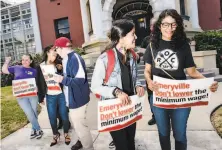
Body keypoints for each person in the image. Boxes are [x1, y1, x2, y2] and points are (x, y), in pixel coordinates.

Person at [144, 9, 219, 150]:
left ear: (177, 25)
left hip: (181, 97)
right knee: (163, 133)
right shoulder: (152, 45)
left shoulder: (183, 46)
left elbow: (192, 72)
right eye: (165, 24)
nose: (169, 28)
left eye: (173, 24)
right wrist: (149, 81)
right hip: (159, 96)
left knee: (180, 134)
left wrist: (208, 82)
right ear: (160, 26)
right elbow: (147, 71)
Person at [91, 19, 145, 150]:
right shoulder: (104, 59)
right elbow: (95, 86)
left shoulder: (132, 55)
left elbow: (135, 78)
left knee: (131, 143)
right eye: (133, 34)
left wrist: (138, 85)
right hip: (114, 110)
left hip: (130, 108)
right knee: (122, 146)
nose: (136, 37)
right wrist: (116, 92)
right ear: (121, 37)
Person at [53, 37, 94, 150]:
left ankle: (88, 147)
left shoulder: (74, 58)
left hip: (78, 99)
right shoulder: (67, 58)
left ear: (61, 48)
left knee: (80, 126)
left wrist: (62, 79)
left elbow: (80, 80)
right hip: (73, 97)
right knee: (77, 123)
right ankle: (81, 141)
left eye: (56, 49)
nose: (56, 52)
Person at [36, 46, 71, 147]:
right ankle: (55, 135)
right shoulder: (40, 67)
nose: (55, 55)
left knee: (64, 116)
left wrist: (61, 69)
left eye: (56, 54)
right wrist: (41, 98)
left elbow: (65, 75)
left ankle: (66, 133)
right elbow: (39, 83)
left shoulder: (59, 64)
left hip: (61, 95)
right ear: (47, 52)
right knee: (52, 118)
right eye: (53, 53)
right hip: (50, 96)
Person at [2, 54, 43, 139]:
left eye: (27, 60)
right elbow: (4, 70)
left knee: (34, 112)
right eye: (23, 59)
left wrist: (37, 88)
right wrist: (7, 61)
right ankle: (38, 129)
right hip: (21, 96)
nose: (24, 61)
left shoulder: (34, 71)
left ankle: (34, 129)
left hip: (32, 94)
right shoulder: (17, 67)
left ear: (31, 61)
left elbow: (38, 82)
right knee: (29, 112)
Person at [141, 17, 157, 126]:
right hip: (150, 75)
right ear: (150, 27)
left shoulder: (167, 39)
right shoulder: (146, 39)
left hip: (163, 75)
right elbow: (140, 51)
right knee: (151, 97)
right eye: (153, 25)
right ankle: (154, 116)